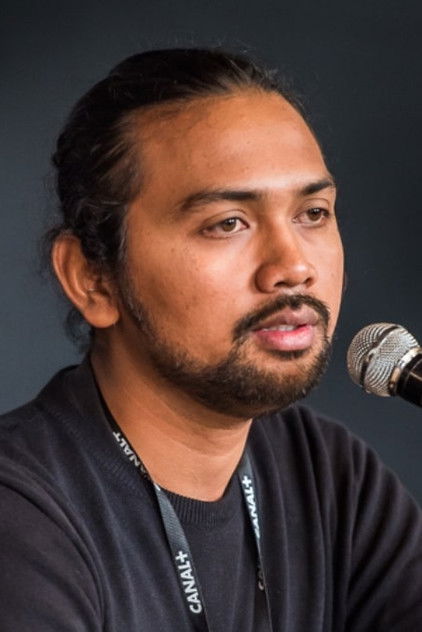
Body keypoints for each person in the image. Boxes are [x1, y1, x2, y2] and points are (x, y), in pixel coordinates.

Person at [0, 48, 420, 631]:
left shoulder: (330, 476)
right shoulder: (21, 515)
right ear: (92, 278)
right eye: (228, 223)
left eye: (313, 213)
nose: (294, 267)